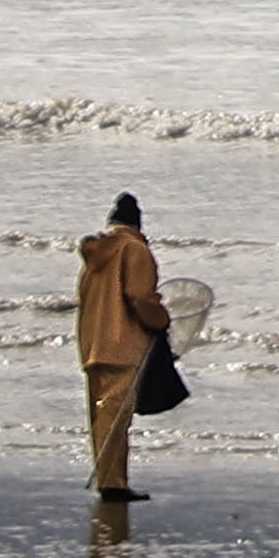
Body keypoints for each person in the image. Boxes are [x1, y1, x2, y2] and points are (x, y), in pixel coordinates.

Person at [76, 192, 173, 501]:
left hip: (93, 344)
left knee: (100, 418)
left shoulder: (94, 256)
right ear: (137, 223)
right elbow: (140, 297)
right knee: (116, 419)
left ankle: (108, 478)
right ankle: (113, 484)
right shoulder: (135, 250)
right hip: (124, 344)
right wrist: (161, 321)